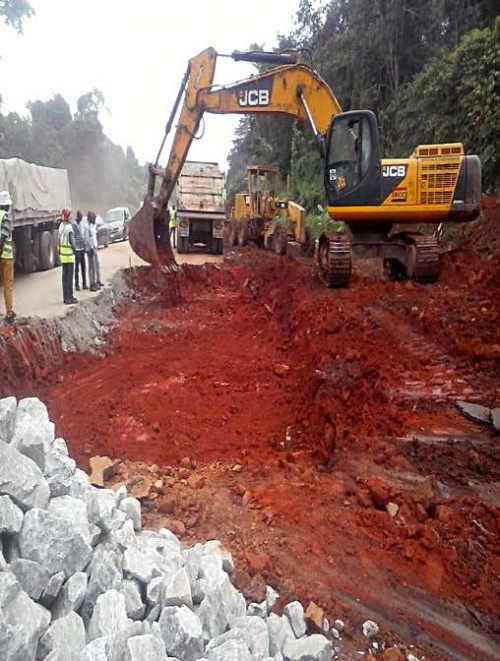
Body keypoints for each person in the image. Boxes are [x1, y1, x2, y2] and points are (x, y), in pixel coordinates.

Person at [0, 190, 16, 324]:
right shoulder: (5, 217)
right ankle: (9, 313)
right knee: (7, 285)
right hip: (6, 257)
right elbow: (4, 236)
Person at [58, 209, 78, 305]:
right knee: (69, 278)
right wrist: (75, 249)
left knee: (64, 278)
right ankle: (70, 297)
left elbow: (58, 241)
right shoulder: (69, 227)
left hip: (63, 256)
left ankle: (65, 297)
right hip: (69, 256)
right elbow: (72, 241)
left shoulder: (61, 226)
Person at [86, 211, 102, 291]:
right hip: (90, 249)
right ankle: (92, 284)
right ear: (90, 219)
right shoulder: (87, 227)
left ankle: (96, 282)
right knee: (91, 267)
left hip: (94, 247)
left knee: (96, 265)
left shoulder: (92, 226)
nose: (95, 220)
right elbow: (87, 239)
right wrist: (91, 248)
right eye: (94, 219)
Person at [73, 210, 87, 290]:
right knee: (77, 268)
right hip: (77, 249)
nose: (81, 218)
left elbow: (82, 235)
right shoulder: (74, 225)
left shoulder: (81, 224)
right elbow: (73, 236)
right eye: (80, 216)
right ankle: (77, 284)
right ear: (78, 216)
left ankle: (84, 284)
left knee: (83, 267)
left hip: (82, 249)